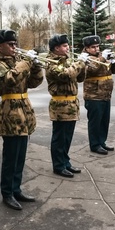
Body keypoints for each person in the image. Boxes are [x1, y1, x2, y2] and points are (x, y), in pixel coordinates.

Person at [0, 29, 43, 211]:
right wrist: (25, 63)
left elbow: (34, 83)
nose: (14, 47)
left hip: (24, 111)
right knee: (11, 156)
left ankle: (16, 188)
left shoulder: (17, 62)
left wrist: (36, 66)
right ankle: (7, 193)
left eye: (15, 44)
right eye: (10, 44)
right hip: (10, 113)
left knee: (20, 155)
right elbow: (8, 81)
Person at [45, 34, 87, 178]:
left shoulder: (67, 60)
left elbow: (79, 78)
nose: (68, 47)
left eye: (67, 45)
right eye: (64, 46)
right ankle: (58, 165)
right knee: (60, 137)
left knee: (67, 137)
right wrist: (79, 63)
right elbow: (66, 75)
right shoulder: (51, 62)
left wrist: (84, 66)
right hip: (60, 105)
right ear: (56, 48)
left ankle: (65, 162)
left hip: (71, 103)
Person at [81, 35, 115, 155]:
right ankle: (95, 144)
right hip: (93, 95)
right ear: (87, 48)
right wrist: (103, 58)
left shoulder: (101, 56)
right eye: (93, 47)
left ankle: (102, 142)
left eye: (97, 46)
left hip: (105, 94)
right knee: (95, 122)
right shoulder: (84, 59)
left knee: (104, 120)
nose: (96, 49)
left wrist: (114, 62)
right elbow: (91, 70)